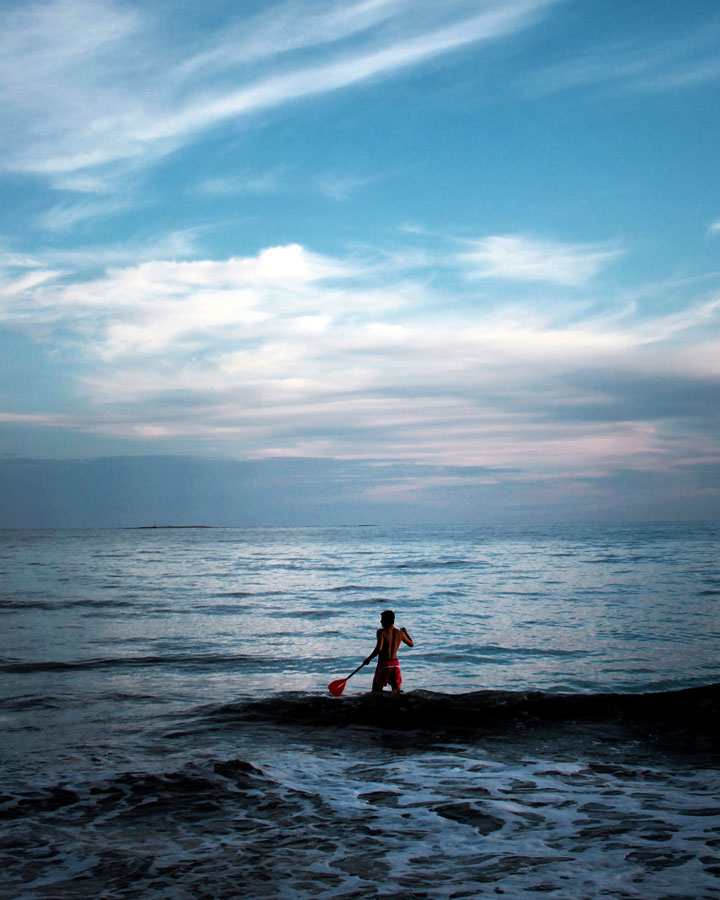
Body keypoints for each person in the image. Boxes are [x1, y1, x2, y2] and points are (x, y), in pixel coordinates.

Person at [364, 609, 413, 693]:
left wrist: (368, 659)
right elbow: (411, 644)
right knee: (397, 692)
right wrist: (405, 632)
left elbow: (378, 649)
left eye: (382, 619)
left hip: (384, 664)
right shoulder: (400, 633)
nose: (380, 621)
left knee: (375, 692)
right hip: (395, 664)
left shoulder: (381, 632)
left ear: (386, 621)